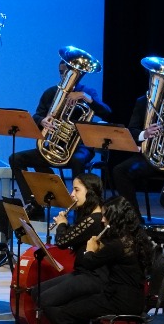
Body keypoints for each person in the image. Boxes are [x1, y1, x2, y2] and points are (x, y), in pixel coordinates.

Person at [39, 197, 155, 324]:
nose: (102, 220)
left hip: (119, 301)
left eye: (105, 216)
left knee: (63, 313)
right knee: (72, 306)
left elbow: (87, 263)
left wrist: (90, 249)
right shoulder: (133, 239)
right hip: (130, 298)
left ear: (115, 218)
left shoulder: (117, 246)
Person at [8, 59, 115, 216]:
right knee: (15, 159)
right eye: (62, 72)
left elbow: (106, 112)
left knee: (77, 161)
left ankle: (81, 211)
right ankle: (34, 204)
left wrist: (85, 97)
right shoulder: (51, 92)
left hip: (79, 146)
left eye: (68, 72)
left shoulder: (87, 92)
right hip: (55, 146)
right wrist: (41, 120)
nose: (65, 75)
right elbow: (37, 115)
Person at [106, 94, 164, 202]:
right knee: (119, 171)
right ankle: (133, 217)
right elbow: (132, 130)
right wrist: (145, 133)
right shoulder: (142, 101)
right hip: (150, 155)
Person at [52, 174, 106, 251]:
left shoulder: (93, 219)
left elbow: (61, 242)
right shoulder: (93, 214)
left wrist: (61, 224)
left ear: (90, 191)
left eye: (76, 190)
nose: (72, 194)